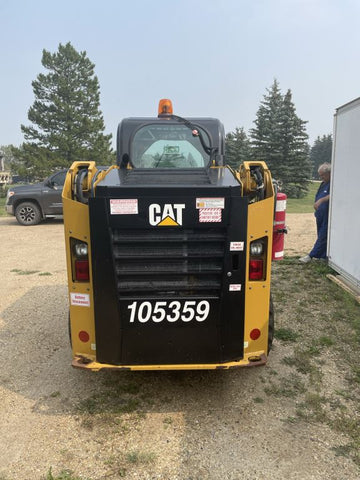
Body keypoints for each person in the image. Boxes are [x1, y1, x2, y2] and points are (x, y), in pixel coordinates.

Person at [299, 163, 331, 263]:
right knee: (320, 235)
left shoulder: (333, 184)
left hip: (327, 215)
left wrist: (321, 201)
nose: (321, 177)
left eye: (323, 175)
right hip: (320, 214)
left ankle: (311, 255)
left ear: (329, 173)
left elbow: (333, 195)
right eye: (320, 175)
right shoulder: (323, 183)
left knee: (323, 235)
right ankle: (322, 256)